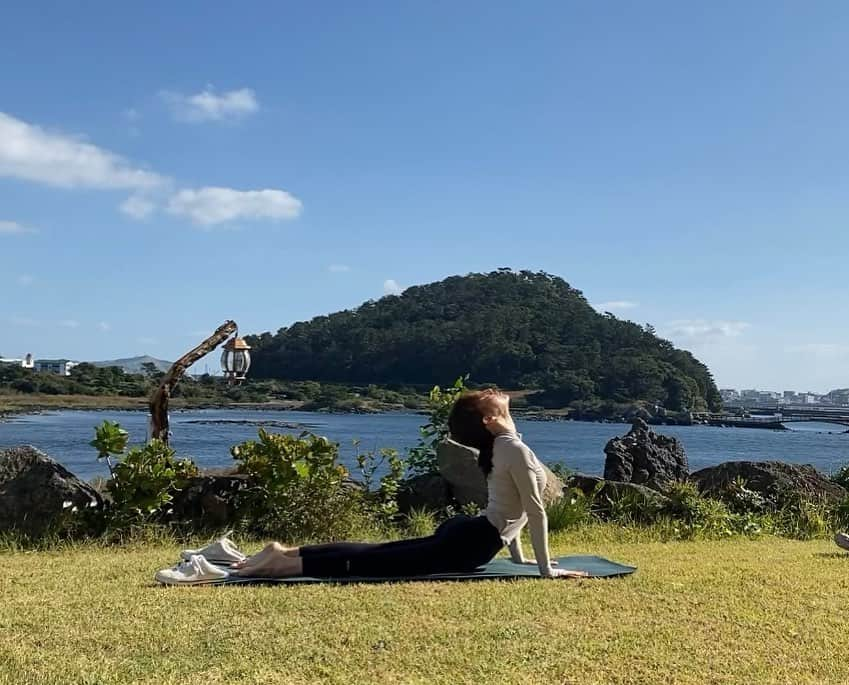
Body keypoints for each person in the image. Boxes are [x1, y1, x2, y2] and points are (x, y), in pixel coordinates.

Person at [156, 389, 586, 584]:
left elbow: (509, 510)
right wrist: (546, 569)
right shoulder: (513, 447)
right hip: (471, 543)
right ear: (492, 420)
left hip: (471, 533)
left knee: (378, 552)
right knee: (373, 561)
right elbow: (535, 511)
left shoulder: (503, 447)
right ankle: (275, 562)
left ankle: (280, 555)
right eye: (496, 398)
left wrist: (523, 559)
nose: (500, 393)